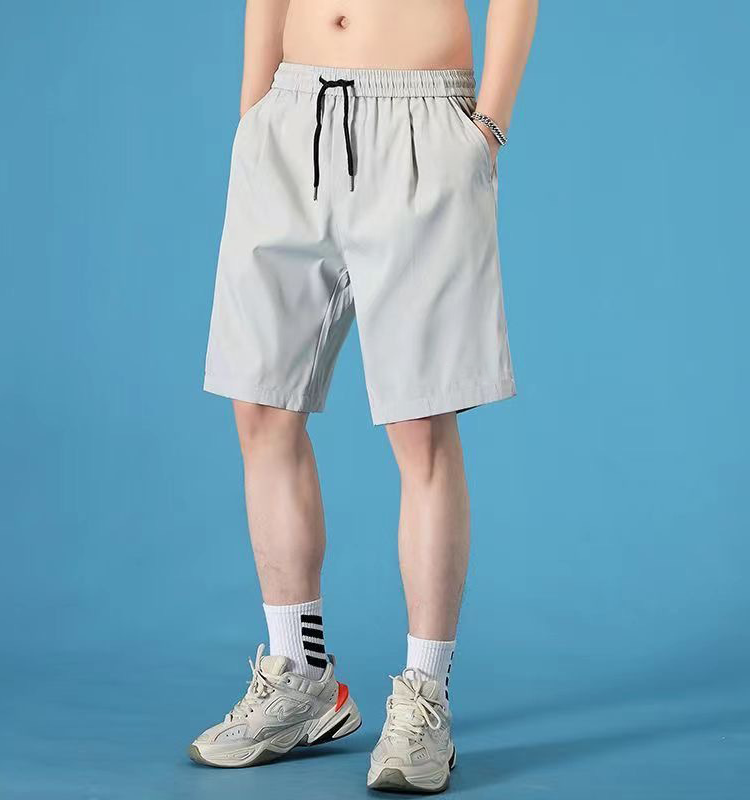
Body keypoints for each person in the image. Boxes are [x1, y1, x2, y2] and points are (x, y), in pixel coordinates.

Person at [190, 0, 538, 792]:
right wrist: (254, 114)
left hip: (421, 118)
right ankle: (299, 675)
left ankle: (424, 699)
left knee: (420, 423)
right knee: (260, 407)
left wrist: (489, 128)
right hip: (290, 114)